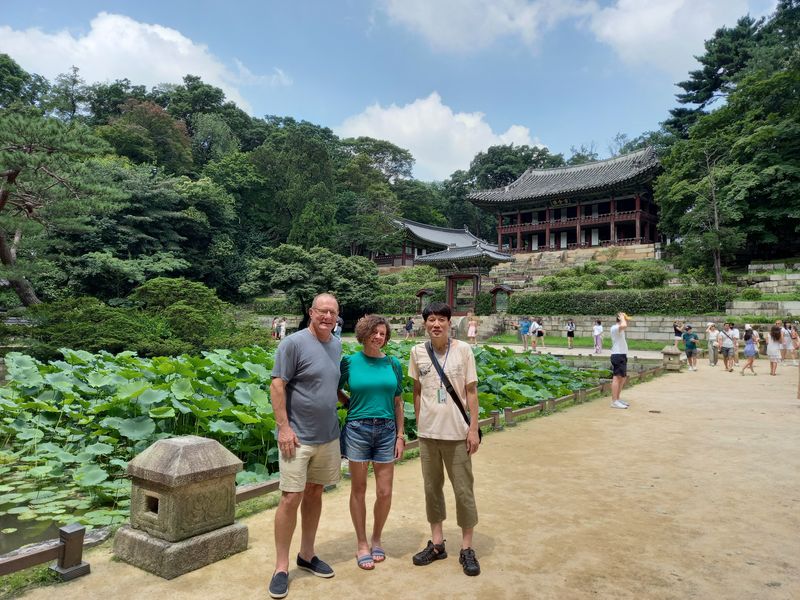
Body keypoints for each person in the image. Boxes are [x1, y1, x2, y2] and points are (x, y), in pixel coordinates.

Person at [268, 294, 342, 599]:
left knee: (315, 493)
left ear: (338, 317)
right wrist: (284, 427)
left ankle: (307, 554)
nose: (327, 316)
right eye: (322, 311)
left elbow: (330, 385)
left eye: (333, 313)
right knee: (290, 498)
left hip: (328, 435)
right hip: (297, 437)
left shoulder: (336, 344)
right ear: (311, 313)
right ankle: (281, 567)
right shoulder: (293, 343)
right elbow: (276, 385)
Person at [408, 302, 481, 577]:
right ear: (424, 323)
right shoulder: (417, 352)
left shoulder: (463, 350)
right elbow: (416, 390)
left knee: (463, 491)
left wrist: (473, 429)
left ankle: (466, 548)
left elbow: (471, 392)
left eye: (441, 320)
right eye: (431, 320)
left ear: (449, 323)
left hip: (457, 433)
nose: (435, 324)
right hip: (428, 435)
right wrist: (419, 421)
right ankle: (437, 544)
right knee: (432, 489)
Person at [338, 315, 405, 571]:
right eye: (374, 332)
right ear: (364, 333)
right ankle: (362, 543)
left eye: (383, 334)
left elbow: (398, 402)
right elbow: (337, 388)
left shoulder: (393, 363)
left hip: (387, 430)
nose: (379, 337)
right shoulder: (350, 362)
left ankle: (377, 538)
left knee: (384, 491)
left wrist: (400, 435)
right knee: (359, 489)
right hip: (357, 428)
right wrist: (348, 403)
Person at [609, 313, 629, 409]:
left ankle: (617, 398)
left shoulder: (620, 328)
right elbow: (624, 325)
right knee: (617, 378)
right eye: (626, 319)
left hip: (622, 355)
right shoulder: (614, 328)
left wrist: (623, 319)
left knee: (623, 377)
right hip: (617, 355)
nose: (627, 321)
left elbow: (624, 326)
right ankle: (614, 401)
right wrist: (622, 318)